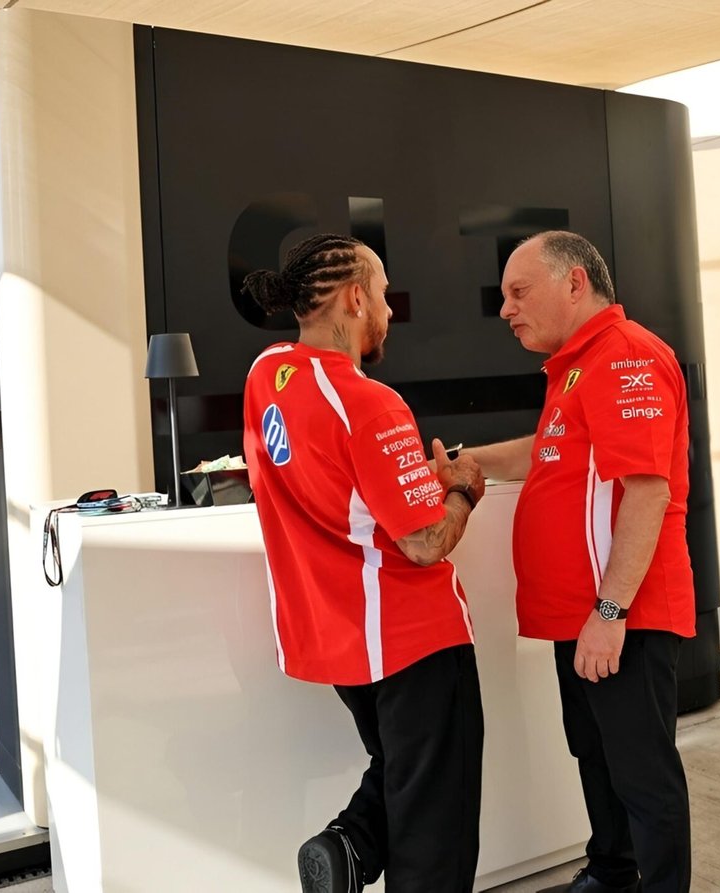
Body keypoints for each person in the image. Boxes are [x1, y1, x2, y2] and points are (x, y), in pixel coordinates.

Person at [238, 234, 487, 893]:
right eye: (381, 292)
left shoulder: (266, 375)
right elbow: (424, 543)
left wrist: (412, 483)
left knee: (406, 771)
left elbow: (342, 492)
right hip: (415, 640)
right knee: (437, 824)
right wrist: (461, 489)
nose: (389, 308)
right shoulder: (371, 402)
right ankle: (353, 843)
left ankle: (349, 846)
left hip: (342, 645)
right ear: (354, 298)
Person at [463, 231, 694, 893]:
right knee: (597, 756)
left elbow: (648, 491)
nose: (506, 309)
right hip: (585, 616)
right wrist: (468, 461)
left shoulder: (625, 356)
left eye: (518, 291)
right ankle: (613, 873)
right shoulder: (577, 365)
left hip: (623, 616)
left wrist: (610, 612)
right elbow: (545, 449)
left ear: (574, 283)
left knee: (643, 773)